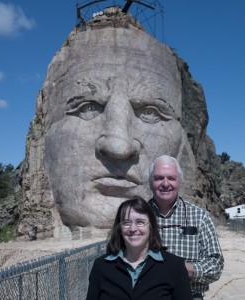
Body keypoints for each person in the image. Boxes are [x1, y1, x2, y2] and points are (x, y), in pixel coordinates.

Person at [44, 18, 189, 229]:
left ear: (182, 143)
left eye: (150, 112)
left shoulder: (195, 224)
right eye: (88, 107)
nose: (119, 148)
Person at [86, 196, 192, 300]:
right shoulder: (101, 266)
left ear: (151, 226)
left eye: (140, 222)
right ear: (119, 228)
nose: (133, 229)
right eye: (126, 223)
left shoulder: (175, 267)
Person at [148, 155, 224, 299]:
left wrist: (187, 269)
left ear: (180, 181)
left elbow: (216, 265)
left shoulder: (200, 216)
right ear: (150, 182)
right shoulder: (137, 217)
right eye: (158, 178)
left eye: (171, 178)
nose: (165, 184)